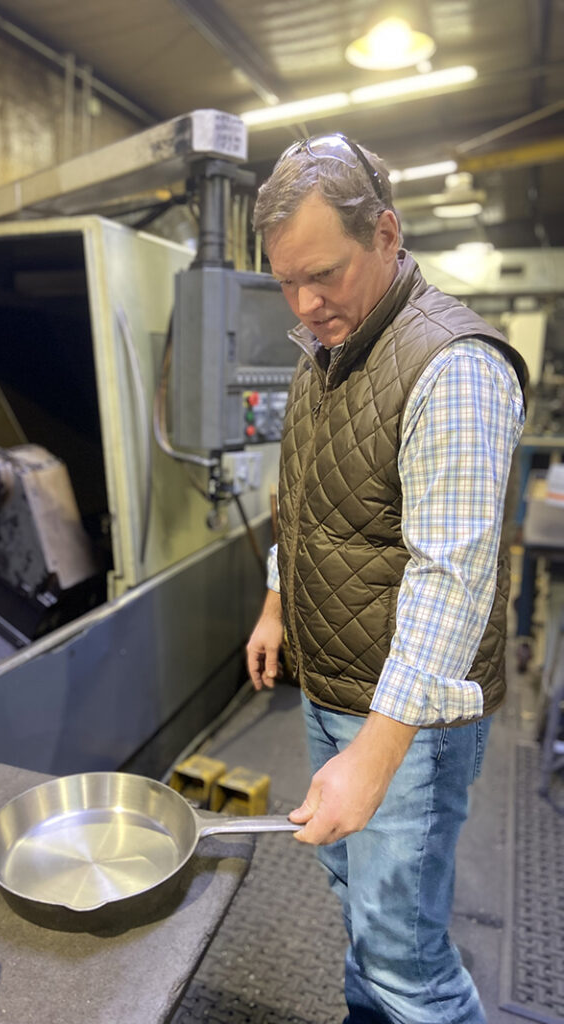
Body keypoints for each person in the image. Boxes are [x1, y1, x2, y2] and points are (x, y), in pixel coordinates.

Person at [245, 134, 526, 1024]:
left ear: (389, 235)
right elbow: (305, 500)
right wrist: (275, 603)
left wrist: (375, 753)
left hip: (406, 716)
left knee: (410, 963)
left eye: (323, 274)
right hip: (333, 684)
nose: (305, 302)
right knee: (360, 909)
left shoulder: (454, 368)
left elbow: (452, 577)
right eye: (287, 281)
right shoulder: (322, 348)